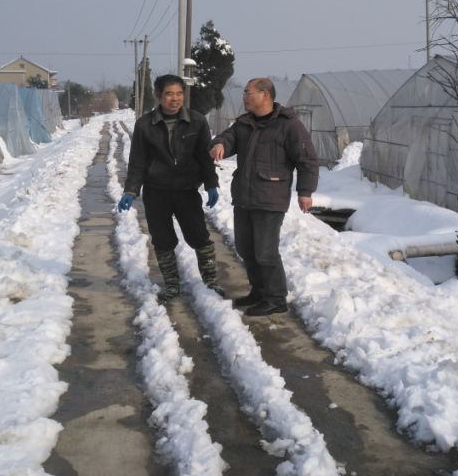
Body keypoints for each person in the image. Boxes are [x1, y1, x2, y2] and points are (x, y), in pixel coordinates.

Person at [209, 77, 318, 317]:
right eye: (245, 93)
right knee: (246, 248)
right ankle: (259, 292)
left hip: (270, 197)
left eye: (249, 93)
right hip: (245, 196)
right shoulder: (245, 123)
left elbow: (307, 159)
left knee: (265, 251)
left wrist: (305, 192)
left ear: (265, 95)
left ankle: (276, 298)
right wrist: (219, 145)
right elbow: (227, 137)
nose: (245, 97)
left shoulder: (288, 125)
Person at [119, 74, 222, 302]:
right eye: (169, 94)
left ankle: (211, 281)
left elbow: (205, 158)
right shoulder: (145, 124)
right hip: (157, 192)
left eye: (179, 93)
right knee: (163, 240)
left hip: (186, 190)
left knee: (199, 236)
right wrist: (130, 190)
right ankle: (172, 285)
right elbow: (138, 161)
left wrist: (211, 184)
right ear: (158, 96)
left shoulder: (196, 121)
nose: (175, 99)